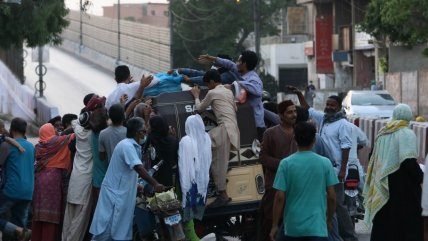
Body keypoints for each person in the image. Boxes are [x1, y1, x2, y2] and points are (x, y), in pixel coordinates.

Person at [289, 86, 357, 241]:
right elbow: (307, 109)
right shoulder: (324, 119)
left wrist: (342, 170)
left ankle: (349, 236)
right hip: (321, 169)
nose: (329, 107)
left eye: (332, 105)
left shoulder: (343, 124)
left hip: (335, 170)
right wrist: (299, 93)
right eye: (327, 104)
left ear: (339, 107)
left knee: (337, 205)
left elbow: (346, 147)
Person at [90, 117, 165, 241]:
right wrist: (155, 184)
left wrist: (136, 185)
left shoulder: (133, 146)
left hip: (122, 193)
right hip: (114, 195)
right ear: (137, 132)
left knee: (118, 230)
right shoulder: (127, 146)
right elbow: (138, 168)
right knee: (106, 230)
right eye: (143, 131)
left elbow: (126, 171)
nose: (145, 134)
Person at [270, 121, 338, 241]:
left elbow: (279, 197)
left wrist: (275, 225)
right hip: (317, 227)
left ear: (295, 139)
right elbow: (332, 196)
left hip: (292, 228)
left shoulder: (285, 163)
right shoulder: (325, 163)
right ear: (314, 140)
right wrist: (328, 220)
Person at [364, 104, 423, 241]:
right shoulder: (406, 133)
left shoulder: (383, 132)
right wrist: (421, 177)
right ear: (408, 116)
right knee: (407, 227)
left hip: (384, 184)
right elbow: (409, 162)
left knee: (384, 226)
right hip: (404, 189)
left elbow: (372, 156)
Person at [190, 69, 240, 207]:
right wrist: (209, 114)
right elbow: (231, 110)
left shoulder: (212, 93)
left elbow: (199, 107)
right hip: (233, 129)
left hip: (223, 130)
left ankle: (223, 195)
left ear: (212, 82)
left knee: (215, 161)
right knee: (219, 160)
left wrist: (196, 95)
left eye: (207, 84)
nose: (208, 87)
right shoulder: (228, 92)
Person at [62, 95, 105, 241]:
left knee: (69, 216)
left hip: (75, 178)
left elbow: (76, 120)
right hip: (86, 180)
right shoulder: (93, 134)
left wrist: (88, 110)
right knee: (80, 220)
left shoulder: (79, 130)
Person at [198, 50, 265, 141]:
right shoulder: (241, 72)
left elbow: (258, 91)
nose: (236, 63)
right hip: (243, 121)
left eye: (238, 61)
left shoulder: (254, 79)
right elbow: (229, 64)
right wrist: (212, 58)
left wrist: (234, 85)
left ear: (244, 64)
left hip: (255, 125)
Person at [258, 100, 298, 241]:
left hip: (296, 187)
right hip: (275, 186)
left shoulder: (301, 132)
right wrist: (283, 164)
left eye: (294, 111)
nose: (293, 115)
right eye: (289, 112)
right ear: (280, 115)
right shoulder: (271, 133)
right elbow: (263, 157)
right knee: (271, 223)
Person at [32, 123, 75, 241]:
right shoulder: (57, 141)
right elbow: (72, 136)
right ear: (50, 131)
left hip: (39, 180)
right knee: (51, 214)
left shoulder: (38, 147)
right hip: (53, 180)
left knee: (38, 214)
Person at [178, 114, 212, 241]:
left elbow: (183, 165)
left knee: (187, 211)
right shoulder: (206, 138)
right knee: (195, 208)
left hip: (190, 181)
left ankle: (190, 236)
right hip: (202, 180)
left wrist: (185, 185)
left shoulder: (185, 141)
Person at [0, 118, 34, 241]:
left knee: (17, 229)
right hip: (28, 192)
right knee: (19, 223)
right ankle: (19, 230)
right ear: (24, 131)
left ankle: (17, 230)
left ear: (11, 130)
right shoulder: (31, 147)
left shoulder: (7, 145)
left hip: (11, 189)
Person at [145, 115, 179, 187]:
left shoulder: (151, 140)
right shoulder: (173, 141)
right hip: (170, 179)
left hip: (153, 181)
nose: (147, 128)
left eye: (149, 126)